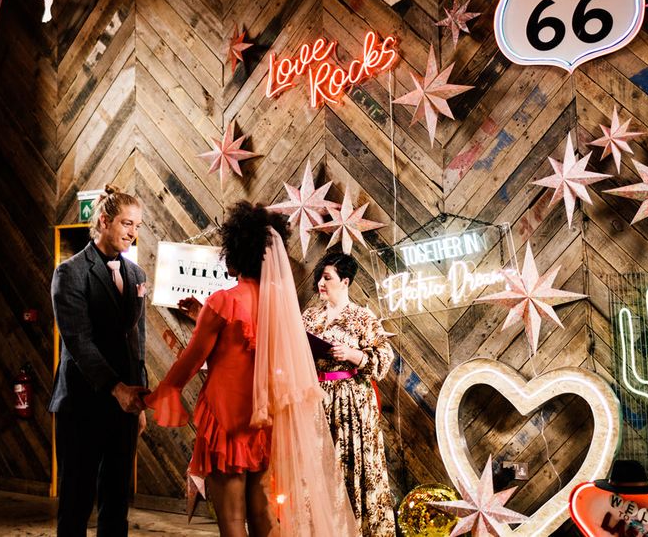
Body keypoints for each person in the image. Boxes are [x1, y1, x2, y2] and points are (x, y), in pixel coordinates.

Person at [145, 201, 356, 537]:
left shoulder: (223, 302)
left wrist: (159, 393)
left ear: (235, 253)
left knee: (231, 522)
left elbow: (188, 362)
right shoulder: (279, 309)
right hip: (263, 420)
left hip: (224, 422)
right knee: (263, 517)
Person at [49, 185, 149, 537]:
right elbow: (78, 341)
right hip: (81, 403)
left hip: (124, 406)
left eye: (137, 226)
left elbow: (137, 340)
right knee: (76, 501)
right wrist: (116, 388)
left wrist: (139, 403)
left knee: (116, 500)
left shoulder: (136, 276)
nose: (132, 232)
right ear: (104, 221)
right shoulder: (70, 272)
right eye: (126, 223)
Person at [303, 252, 396, 537]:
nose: (321, 283)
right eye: (320, 277)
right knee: (318, 464)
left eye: (327, 277)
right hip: (316, 397)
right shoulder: (309, 315)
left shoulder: (361, 317)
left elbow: (384, 356)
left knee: (352, 464)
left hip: (351, 401)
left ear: (345, 281)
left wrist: (352, 354)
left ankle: (356, 528)